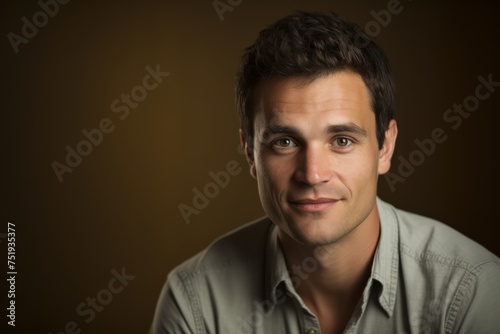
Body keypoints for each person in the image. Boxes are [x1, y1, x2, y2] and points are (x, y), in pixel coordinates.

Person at [150, 11, 500, 334]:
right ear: (250, 152)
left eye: (342, 140)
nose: (312, 174)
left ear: (385, 147)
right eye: (285, 141)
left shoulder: (472, 292)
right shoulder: (195, 303)